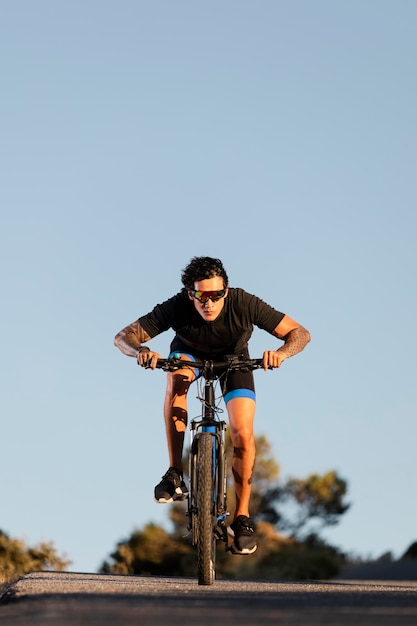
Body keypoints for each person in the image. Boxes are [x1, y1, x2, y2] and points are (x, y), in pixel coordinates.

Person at [114, 256, 310, 555]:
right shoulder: (177, 306)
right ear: (189, 293)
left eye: (216, 295)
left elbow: (300, 333)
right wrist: (140, 350)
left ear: (226, 290)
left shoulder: (245, 303)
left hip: (235, 361)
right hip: (189, 355)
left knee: (243, 434)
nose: (209, 303)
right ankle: (175, 474)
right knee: (176, 376)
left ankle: (241, 519)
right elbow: (123, 337)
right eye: (201, 296)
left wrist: (281, 353)